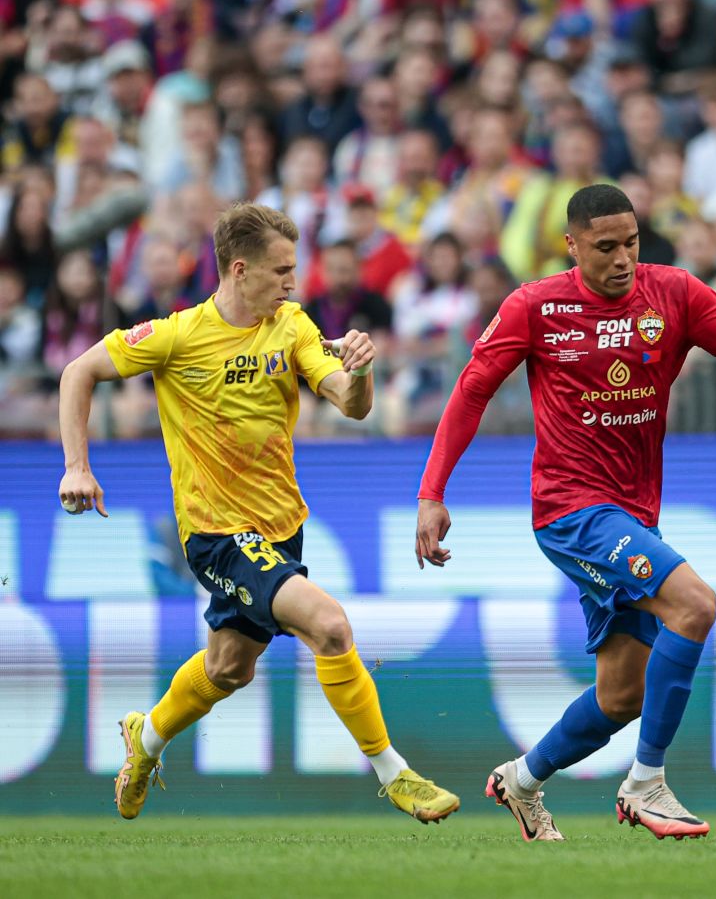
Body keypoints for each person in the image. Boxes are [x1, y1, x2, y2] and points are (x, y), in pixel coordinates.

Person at [56, 203, 458, 824]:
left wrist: (360, 371)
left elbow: (350, 405)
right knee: (329, 626)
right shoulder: (177, 335)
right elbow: (77, 372)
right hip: (216, 533)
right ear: (240, 270)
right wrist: (76, 466)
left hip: (282, 527)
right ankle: (395, 773)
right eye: (282, 270)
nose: (293, 282)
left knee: (228, 668)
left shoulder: (292, 325)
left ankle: (146, 738)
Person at [415, 184, 716, 841]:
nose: (622, 259)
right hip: (571, 510)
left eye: (631, 243)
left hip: (633, 516)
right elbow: (472, 391)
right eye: (605, 246)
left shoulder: (674, 293)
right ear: (572, 245)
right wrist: (432, 492)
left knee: (622, 696)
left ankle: (521, 780)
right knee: (694, 605)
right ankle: (647, 784)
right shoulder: (535, 306)